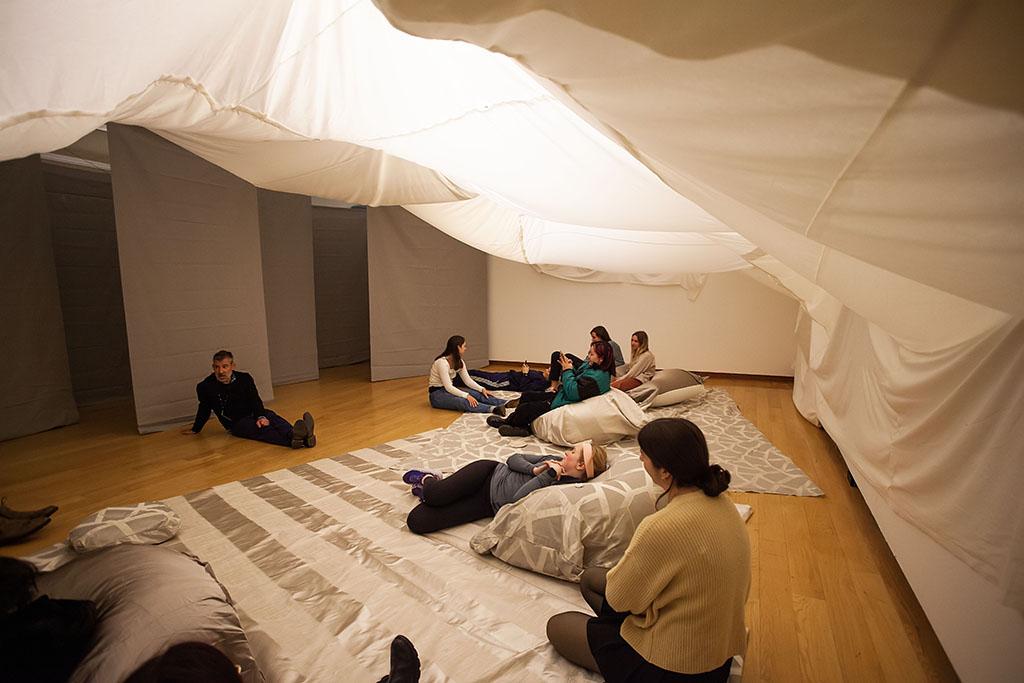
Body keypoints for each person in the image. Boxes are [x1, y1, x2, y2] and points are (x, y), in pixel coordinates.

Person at [546, 418, 750, 682]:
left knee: (559, 625)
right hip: (718, 653)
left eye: (643, 456)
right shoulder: (724, 505)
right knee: (591, 578)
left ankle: (631, 655)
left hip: (676, 667)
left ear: (665, 471)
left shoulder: (661, 525)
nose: (640, 460)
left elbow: (620, 599)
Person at [404, 442, 608, 534]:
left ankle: (426, 491)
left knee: (417, 522)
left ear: (581, 465)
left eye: (573, 452)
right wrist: (535, 470)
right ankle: (430, 479)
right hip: (488, 474)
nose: (567, 453)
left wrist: (547, 477)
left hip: (487, 506)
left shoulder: (565, 489)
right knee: (434, 495)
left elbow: (516, 502)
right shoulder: (552, 459)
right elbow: (513, 459)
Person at [181, 350, 316, 449]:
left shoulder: (245, 378)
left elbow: (254, 399)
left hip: (253, 412)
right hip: (236, 422)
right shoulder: (206, 386)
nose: (221, 371)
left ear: (232, 366)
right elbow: (204, 408)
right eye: (217, 367)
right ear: (213, 367)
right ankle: (302, 438)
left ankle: (296, 434)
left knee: (272, 417)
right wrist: (195, 429)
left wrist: (261, 416)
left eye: (224, 366)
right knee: (262, 430)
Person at [488, 341, 615, 438]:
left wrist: (567, 370)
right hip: (562, 395)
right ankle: (512, 421)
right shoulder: (595, 368)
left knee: (527, 408)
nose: (588, 356)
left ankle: (519, 427)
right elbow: (579, 378)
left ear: (601, 358)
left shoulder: (598, 377)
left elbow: (573, 393)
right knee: (527, 395)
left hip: (564, 401)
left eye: (591, 354)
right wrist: (569, 366)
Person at [428, 335, 506, 415]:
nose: (466, 348)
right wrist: (466, 395)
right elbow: (448, 387)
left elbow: (468, 381)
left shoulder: (459, 361)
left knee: (477, 393)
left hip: (448, 390)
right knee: (463, 401)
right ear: (458, 347)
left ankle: (506, 403)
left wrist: (481, 389)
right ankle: (493, 409)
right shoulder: (441, 363)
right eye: (464, 346)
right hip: (436, 394)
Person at [546, 325, 625, 390]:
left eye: (594, 337)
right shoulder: (595, 346)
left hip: (593, 367)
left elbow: (620, 362)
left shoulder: (610, 345)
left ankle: (555, 385)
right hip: (587, 365)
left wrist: (603, 365)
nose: (592, 340)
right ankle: (554, 384)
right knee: (561, 355)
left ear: (601, 336)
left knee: (560, 356)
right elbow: (587, 359)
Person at [466, 361, 551, 393]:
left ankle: (457, 379)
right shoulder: (540, 373)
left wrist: (525, 373)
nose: (549, 368)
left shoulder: (542, 382)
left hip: (508, 382)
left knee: (479, 379)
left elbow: (524, 388)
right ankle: (460, 373)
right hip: (508, 375)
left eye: (551, 371)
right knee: (478, 373)